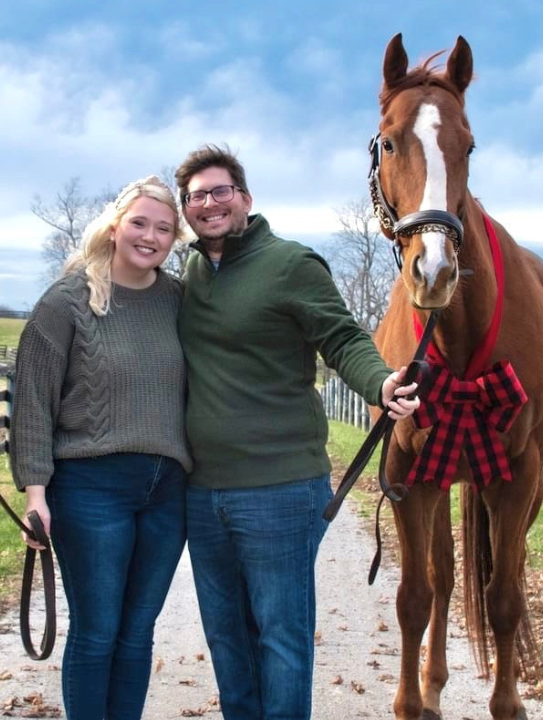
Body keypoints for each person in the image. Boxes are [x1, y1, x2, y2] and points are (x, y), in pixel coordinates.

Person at [174, 144, 419, 720]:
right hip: (202, 492)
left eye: (220, 191)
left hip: (279, 490)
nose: (209, 204)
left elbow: (343, 338)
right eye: (196, 196)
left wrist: (380, 384)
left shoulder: (291, 264)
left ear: (245, 199)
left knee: (280, 640)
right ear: (186, 209)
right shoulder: (187, 273)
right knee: (228, 641)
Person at [11, 176, 192, 720]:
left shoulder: (180, 301)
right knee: (97, 632)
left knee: (138, 634)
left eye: (164, 228)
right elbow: (33, 405)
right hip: (91, 489)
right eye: (139, 222)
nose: (150, 236)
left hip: (167, 491)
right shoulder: (66, 303)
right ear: (115, 226)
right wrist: (36, 495)